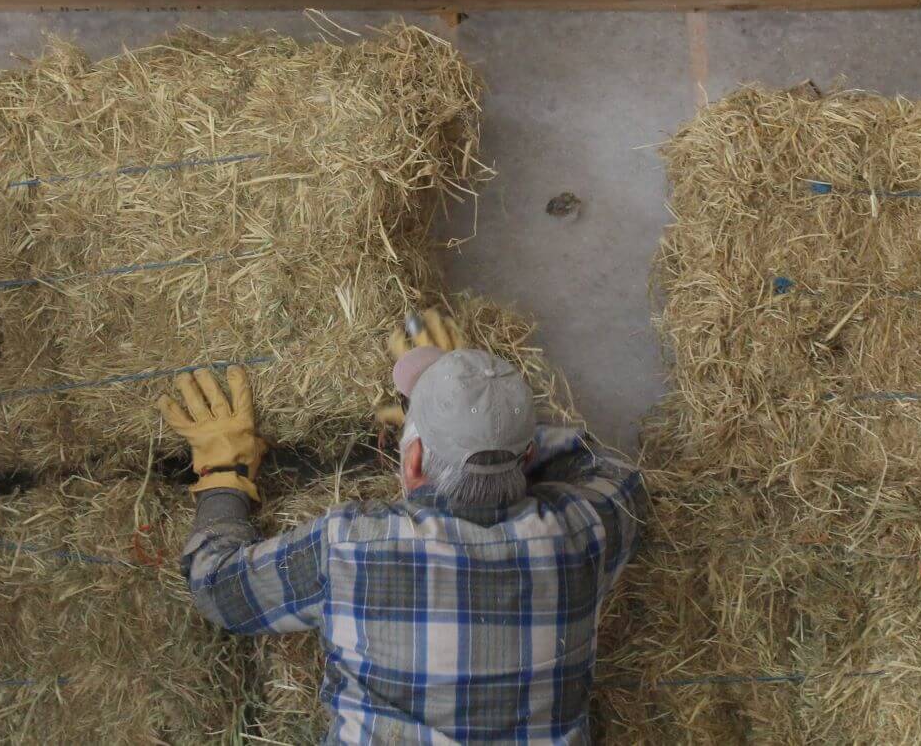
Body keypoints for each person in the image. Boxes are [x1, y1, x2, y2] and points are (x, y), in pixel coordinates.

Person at [160, 309, 642, 744]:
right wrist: (492, 423)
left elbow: (220, 589)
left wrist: (225, 475)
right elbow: (612, 470)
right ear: (530, 457)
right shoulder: (581, 534)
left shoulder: (351, 549)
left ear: (412, 460)